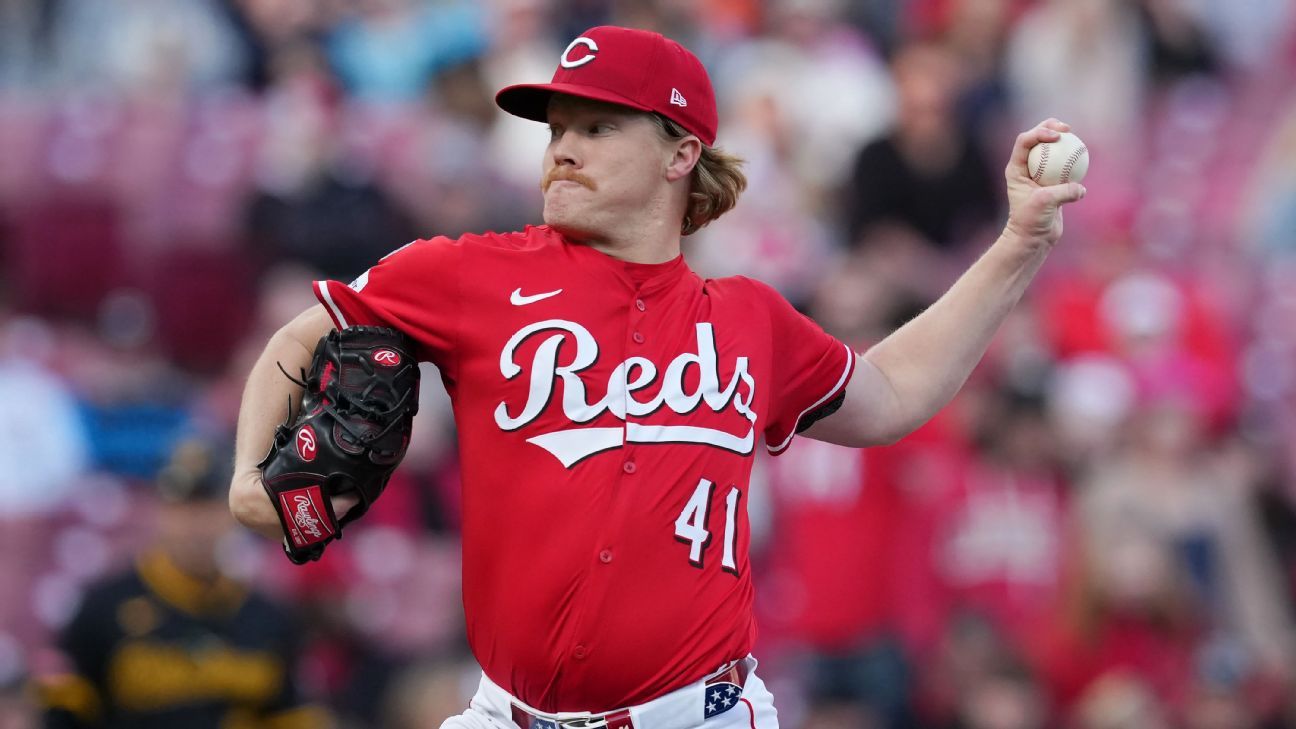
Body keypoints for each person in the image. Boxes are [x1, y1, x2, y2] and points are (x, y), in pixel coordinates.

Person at [228, 25, 1086, 729]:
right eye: (557, 129)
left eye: (598, 128)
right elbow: (299, 338)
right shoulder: (468, 273)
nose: (563, 149)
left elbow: (890, 394)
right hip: (508, 714)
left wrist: (1019, 243)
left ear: (681, 155)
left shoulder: (748, 317)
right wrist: (245, 483)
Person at [37, 438, 333, 729]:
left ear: (231, 513)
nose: (196, 524)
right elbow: (64, 714)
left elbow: (295, 717)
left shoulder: (269, 619)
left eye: (209, 507)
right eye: (183, 508)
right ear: (159, 511)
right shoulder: (102, 609)